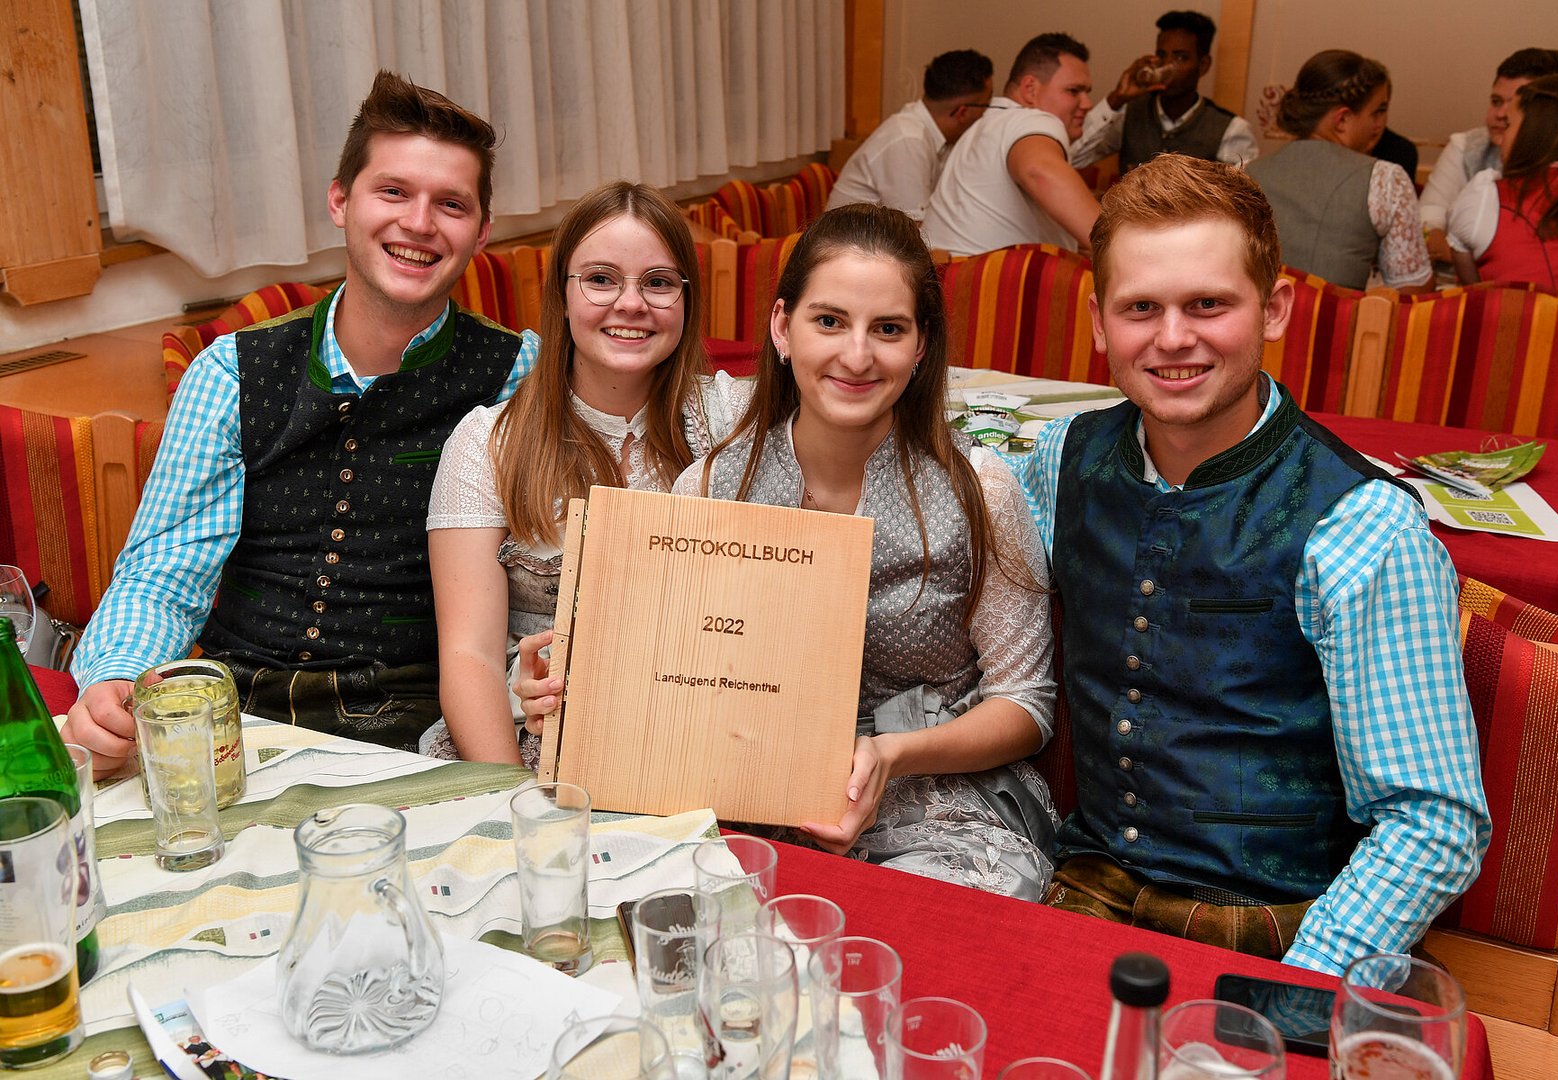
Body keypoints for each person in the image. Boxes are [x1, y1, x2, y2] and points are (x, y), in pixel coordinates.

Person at [1013, 153, 1490, 973]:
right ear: (1098, 322)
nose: (1173, 338)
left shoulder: (1362, 526)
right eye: (1141, 308)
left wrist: (1303, 984)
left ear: (1274, 308)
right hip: (1088, 881)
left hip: (1274, 923)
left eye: (1208, 304)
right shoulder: (1063, 459)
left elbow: (1431, 821)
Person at [63, 70, 537, 775]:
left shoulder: (514, 374)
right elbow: (164, 575)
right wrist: (115, 681)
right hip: (236, 710)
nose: (419, 223)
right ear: (340, 201)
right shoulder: (231, 372)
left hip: (414, 723)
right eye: (393, 191)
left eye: (451, 204)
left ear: (482, 231)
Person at [669, 203, 1058, 899]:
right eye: (829, 321)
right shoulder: (709, 488)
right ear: (782, 327)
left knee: (910, 932)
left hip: (938, 801)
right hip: (746, 791)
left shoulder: (980, 490)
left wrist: (893, 753)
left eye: (888, 329)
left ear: (921, 345)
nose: (856, 356)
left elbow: (1025, 702)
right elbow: (672, 674)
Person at [423, 182, 749, 767]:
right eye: (601, 279)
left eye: (658, 282)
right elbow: (470, 657)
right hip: (536, 738)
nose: (631, 303)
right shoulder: (487, 443)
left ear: (687, 299)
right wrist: (515, 800)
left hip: (707, 736)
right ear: (562, 295)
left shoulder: (734, 421)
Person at [1247, 50, 1432, 293]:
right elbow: (1412, 289)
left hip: (1257, 316)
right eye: (1377, 112)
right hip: (1330, 317)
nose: (1381, 124)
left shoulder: (1246, 173)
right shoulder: (1385, 179)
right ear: (1342, 120)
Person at [1446, 74, 1558, 306]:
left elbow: (1473, 294)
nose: (1501, 140)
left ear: (1532, 133)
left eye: (1508, 125)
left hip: (1510, 328)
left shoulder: (1485, 197)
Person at [923, 33, 1102, 257]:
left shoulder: (990, 125)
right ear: (1030, 88)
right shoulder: (1031, 119)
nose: (1087, 103)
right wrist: (1122, 245)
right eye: (1073, 91)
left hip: (944, 269)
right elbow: (1038, 171)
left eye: (1087, 93)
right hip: (976, 276)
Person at [1419, 48, 1558, 258]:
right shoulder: (1464, 146)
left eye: (1516, 105)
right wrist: (1439, 241)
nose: (1500, 114)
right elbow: (1428, 213)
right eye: (1496, 101)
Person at [1070, 10, 1257, 173]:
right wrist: (1116, 99)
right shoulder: (1130, 113)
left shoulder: (1231, 130)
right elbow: (1073, 157)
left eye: (1180, 57)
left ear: (1203, 65)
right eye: (1161, 55)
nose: (1167, 65)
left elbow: (1243, 198)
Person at [826, 49, 995, 221]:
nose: (988, 113)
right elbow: (915, 228)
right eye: (987, 104)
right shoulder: (908, 140)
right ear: (962, 112)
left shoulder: (937, 137)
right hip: (850, 236)